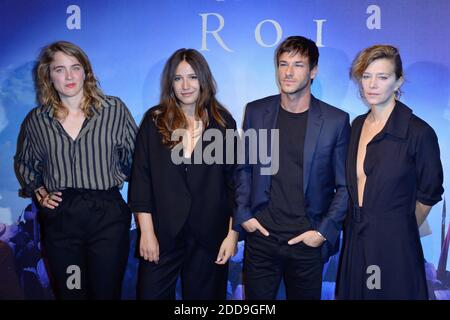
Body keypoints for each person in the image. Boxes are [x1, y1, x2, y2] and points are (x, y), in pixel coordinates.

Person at [15, 41, 137, 299]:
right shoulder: (38, 120)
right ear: (49, 75)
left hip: (107, 216)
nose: (69, 76)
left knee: (105, 293)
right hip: (62, 220)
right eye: (60, 69)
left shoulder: (113, 110)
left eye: (75, 67)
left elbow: (136, 162)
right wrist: (40, 192)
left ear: (86, 72)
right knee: (71, 293)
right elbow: (26, 164)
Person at [234, 36, 350, 300]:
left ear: (313, 71)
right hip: (262, 238)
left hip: (307, 242)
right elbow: (244, 168)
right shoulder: (256, 111)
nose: (287, 72)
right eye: (283, 64)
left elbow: (344, 186)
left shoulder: (336, 121)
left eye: (298, 65)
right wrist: (245, 215)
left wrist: (322, 232)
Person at [128, 48, 238, 300]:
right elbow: (141, 180)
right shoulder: (154, 121)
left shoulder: (223, 124)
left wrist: (233, 235)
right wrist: (146, 233)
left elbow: (235, 184)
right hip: (162, 233)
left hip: (210, 236)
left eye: (192, 77)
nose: (186, 85)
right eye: (178, 78)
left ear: (204, 80)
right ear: (170, 83)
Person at [336, 45, 444, 299]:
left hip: (393, 247)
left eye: (382, 77)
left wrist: (396, 228)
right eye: (366, 76)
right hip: (355, 241)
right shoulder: (357, 125)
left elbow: (429, 193)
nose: (372, 84)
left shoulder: (419, 132)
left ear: (398, 82)